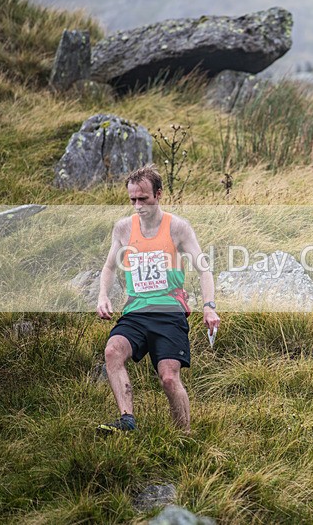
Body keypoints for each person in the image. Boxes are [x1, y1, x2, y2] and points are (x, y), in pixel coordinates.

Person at [96, 165, 219, 433]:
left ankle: (183, 434)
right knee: (112, 351)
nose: (138, 206)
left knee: (168, 378)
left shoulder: (178, 228)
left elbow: (203, 269)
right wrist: (103, 296)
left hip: (169, 313)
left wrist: (209, 307)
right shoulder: (123, 229)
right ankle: (127, 419)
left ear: (159, 194)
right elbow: (109, 267)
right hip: (136, 312)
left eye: (144, 199)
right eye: (133, 200)